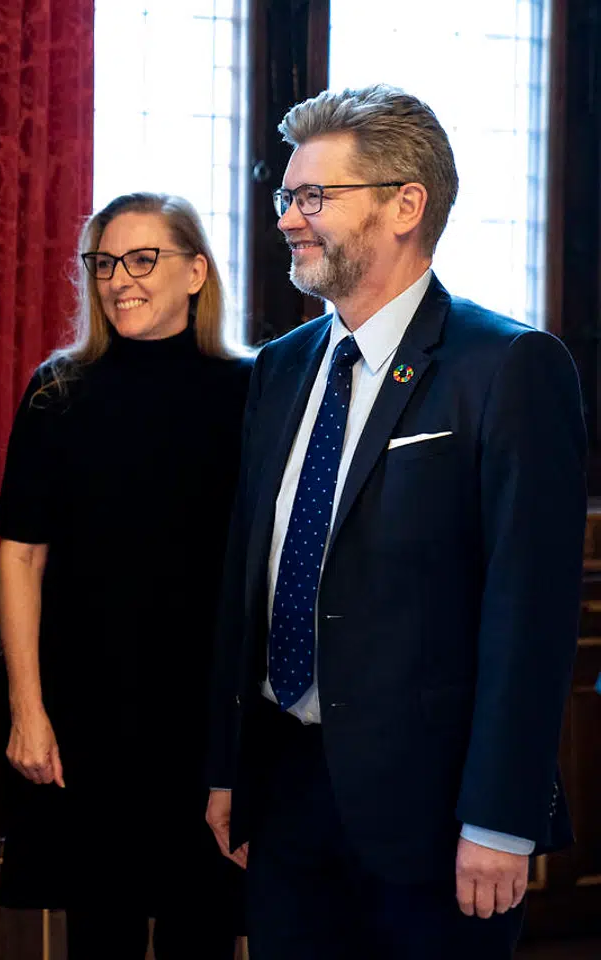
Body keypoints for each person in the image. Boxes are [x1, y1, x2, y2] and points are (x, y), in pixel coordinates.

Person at [205, 84, 585, 959]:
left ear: (405, 205)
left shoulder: (509, 367)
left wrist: (501, 817)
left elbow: (529, 618)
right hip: (288, 790)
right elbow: (246, 577)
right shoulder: (281, 367)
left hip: (436, 812)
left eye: (313, 198)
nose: (289, 221)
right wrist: (230, 769)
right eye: (285, 198)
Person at [0, 193, 251, 958]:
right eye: (104, 263)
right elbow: (20, 554)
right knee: (97, 932)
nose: (119, 281)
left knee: (201, 929)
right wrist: (27, 709)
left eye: (143, 260)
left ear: (196, 272)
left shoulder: (253, 391)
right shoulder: (58, 390)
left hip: (203, 718)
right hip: (87, 714)